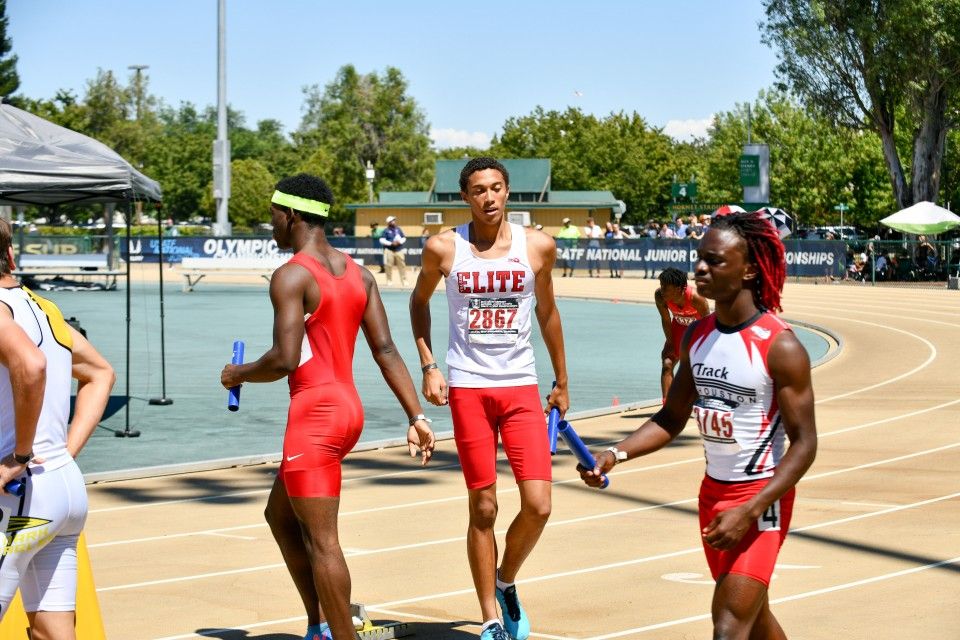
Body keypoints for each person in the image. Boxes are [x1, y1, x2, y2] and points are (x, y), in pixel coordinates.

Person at [581, 211, 818, 640]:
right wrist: (613, 453)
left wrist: (748, 510)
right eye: (700, 259)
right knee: (755, 618)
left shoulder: (780, 346)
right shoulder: (698, 336)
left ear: (748, 269)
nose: (701, 269)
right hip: (713, 495)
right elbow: (672, 417)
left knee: (728, 625)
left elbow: (805, 445)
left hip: (759, 499)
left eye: (715, 261)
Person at [220, 174, 436, 640]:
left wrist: (237, 374)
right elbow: (386, 349)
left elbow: (284, 359)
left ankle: (340, 634)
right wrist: (415, 415)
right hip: (347, 411)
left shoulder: (292, 274)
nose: (271, 223)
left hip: (315, 416)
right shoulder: (359, 274)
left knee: (323, 542)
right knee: (279, 517)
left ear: (292, 215)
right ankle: (321, 623)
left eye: (274, 214)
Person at [410, 157, 570, 640]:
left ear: (508, 192)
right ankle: (490, 619)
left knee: (539, 504)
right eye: (479, 190)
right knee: (483, 509)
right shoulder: (443, 248)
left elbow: (547, 312)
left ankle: (506, 580)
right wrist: (429, 365)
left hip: (519, 385)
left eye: (497, 188)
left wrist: (562, 379)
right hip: (468, 387)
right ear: (466, 197)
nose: (489, 197)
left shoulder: (538, 247)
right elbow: (418, 303)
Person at [0, 218, 115, 638]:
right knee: (53, 632)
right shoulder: (43, 307)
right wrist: (63, 450)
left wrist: (19, 455)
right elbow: (101, 373)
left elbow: (30, 366)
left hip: (21, 495)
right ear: (10, 255)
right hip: (61, 488)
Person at [655, 267, 710, 400]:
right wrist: (670, 342)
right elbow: (666, 320)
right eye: (661, 285)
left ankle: (702, 400)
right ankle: (667, 407)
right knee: (667, 362)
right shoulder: (660, 296)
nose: (662, 290)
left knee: (696, 368)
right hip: (678, 327)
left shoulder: (697, 298)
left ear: (679, 288)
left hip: (698, 331)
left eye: (665, 287)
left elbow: (708, 325)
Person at [380, 215, 408, 286]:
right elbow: (382, 240)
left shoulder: (398, 229)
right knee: (388, 266)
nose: (394, 222)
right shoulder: (385, 230)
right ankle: (389, 280)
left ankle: (404, 280)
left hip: (399, 249)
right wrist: (391, 243)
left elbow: (404, 238)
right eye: (392, 221)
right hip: (389, 250)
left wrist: (399, 242)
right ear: (389, 222)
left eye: (394, 220)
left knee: (402, 265)